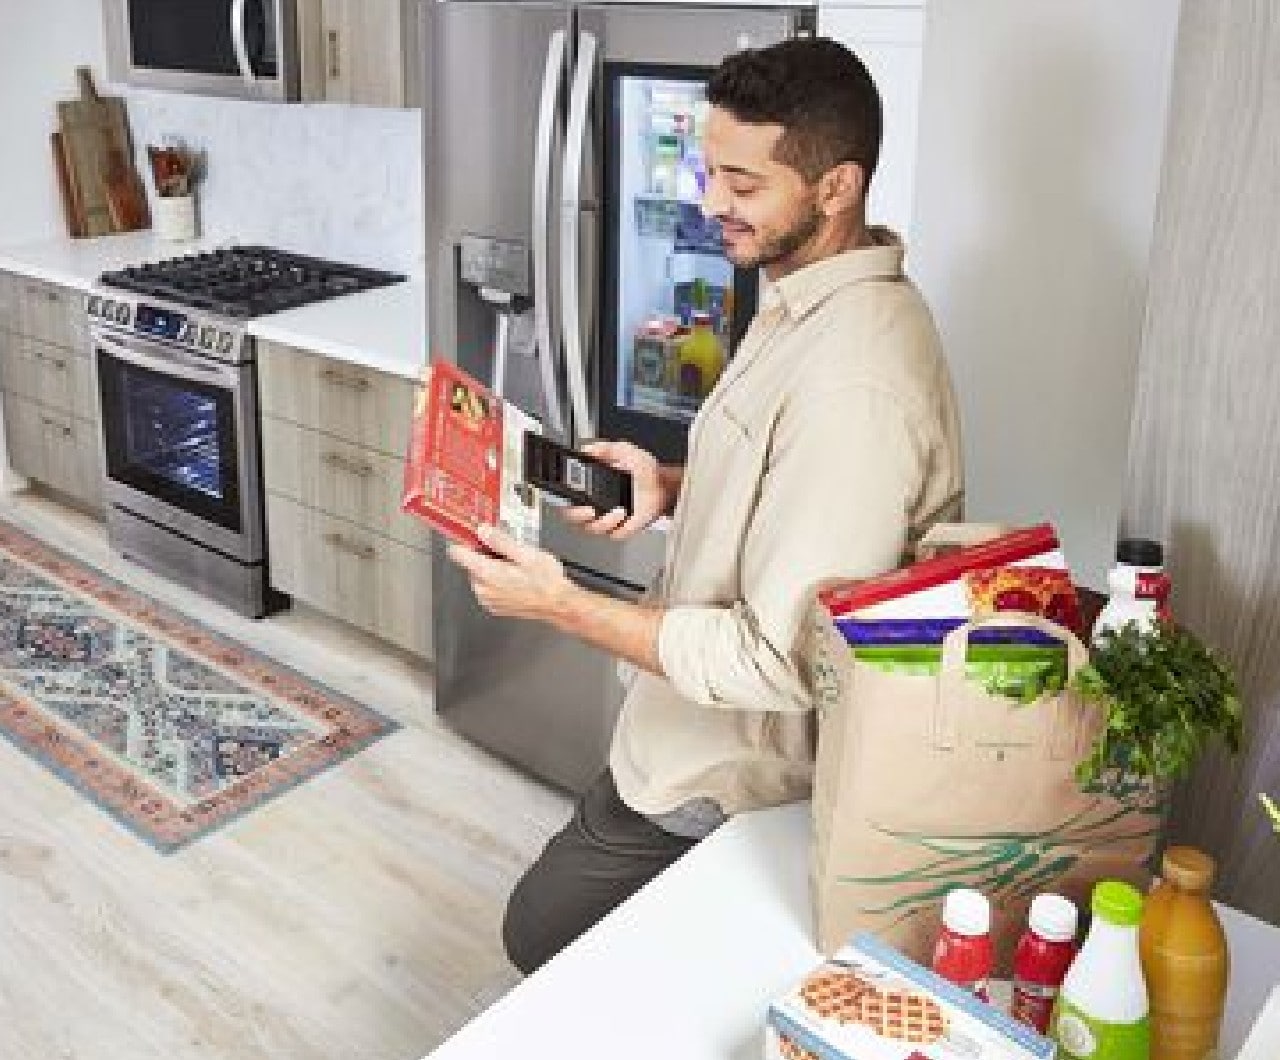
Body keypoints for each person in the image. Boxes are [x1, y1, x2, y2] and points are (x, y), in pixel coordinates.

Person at [447, 36, 964, 974]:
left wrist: (559, 605)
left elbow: (776, 660)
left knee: (541, 936)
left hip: (729, 770)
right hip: (672, 724)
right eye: (706, 169)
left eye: (741, 181)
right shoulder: (808, 295)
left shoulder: (857, 385)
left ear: (837, 186)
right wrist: (669, 482)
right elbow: (782, 482)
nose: (709, 201)